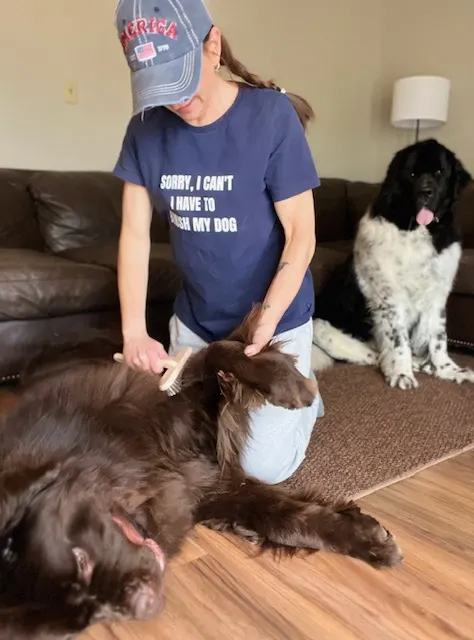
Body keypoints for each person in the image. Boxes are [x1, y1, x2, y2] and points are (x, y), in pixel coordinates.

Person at [113, 0, 325, 484]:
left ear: (212, 47)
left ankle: (306, 403)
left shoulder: (270, 116)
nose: (176, 100)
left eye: (181, 79)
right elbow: (134, 234)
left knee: (256, 467)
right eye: (159, 86)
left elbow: (301, 234)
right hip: (199, 324)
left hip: (272, 319)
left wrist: (266, 323)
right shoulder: (145, 131)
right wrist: (133, 332)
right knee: (180, 444)